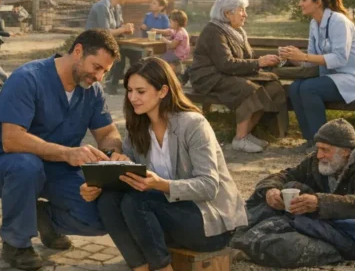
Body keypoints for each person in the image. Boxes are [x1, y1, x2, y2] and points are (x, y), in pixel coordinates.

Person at [80, 58, 247, 271]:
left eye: (141, 91)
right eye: (130, 90)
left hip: (208, 225)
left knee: (137, 201)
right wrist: (100, 183)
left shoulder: (193, 124)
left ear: (162, 91)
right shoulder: (137, 129)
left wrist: (161, 185)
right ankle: (140, 267)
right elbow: (131, 181)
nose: (132, 98)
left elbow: (209, 186)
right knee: (108, 199)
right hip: (163, 219)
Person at [0, 29, 124, 270]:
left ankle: (45, 218)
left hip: (56, 167)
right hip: (6, 166)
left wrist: (113, 152)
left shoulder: (92, 91)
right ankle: (16, 243)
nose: (99, 77)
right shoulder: (28, 78)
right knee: (27, 166)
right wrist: (68, 153)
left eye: (105, 72)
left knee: (100, 216)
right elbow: (12, 140)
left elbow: (108, 133)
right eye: (96, 67)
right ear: (78, 51)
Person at [188, 0, 284, 153]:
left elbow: (247, 59)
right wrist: (258, 62)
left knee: (272, 86)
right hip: (208, 77)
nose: (245, 14)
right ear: (227, 13)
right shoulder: (213, 31)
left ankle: (246, 133)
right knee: (247, 89)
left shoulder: (237, 32)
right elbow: (225, 64)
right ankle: (240, 138)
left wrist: (268, 60)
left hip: (226, 74)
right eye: (241, 10)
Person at [279, 0, 355, 142]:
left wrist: (303, 56)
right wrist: (292, 56)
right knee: (296, 87)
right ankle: (311, 141)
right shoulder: (313, 23)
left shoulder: (339, 21)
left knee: (309, 89)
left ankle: (323, 142)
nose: (299, 4)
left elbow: (339, 58)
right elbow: (311, 61)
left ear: (318, 3)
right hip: (333, 78)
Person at [251, 118, 355, 220]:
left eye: (325, 150)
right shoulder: (315, 159)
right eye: (318, 148)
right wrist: (270, 189)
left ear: (345, 152)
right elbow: (288, 175)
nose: (319, 155)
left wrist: (320, 203)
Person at [85, 0, 135, 94]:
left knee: (135, 54)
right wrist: (123, 29)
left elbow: (119, 26)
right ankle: (110, 83)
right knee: (118, 56)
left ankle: (132, 83)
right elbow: (105, 32)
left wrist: (126, 27)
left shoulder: (116, 7)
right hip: (95, 42)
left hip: (108, 41)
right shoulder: (102, 7)